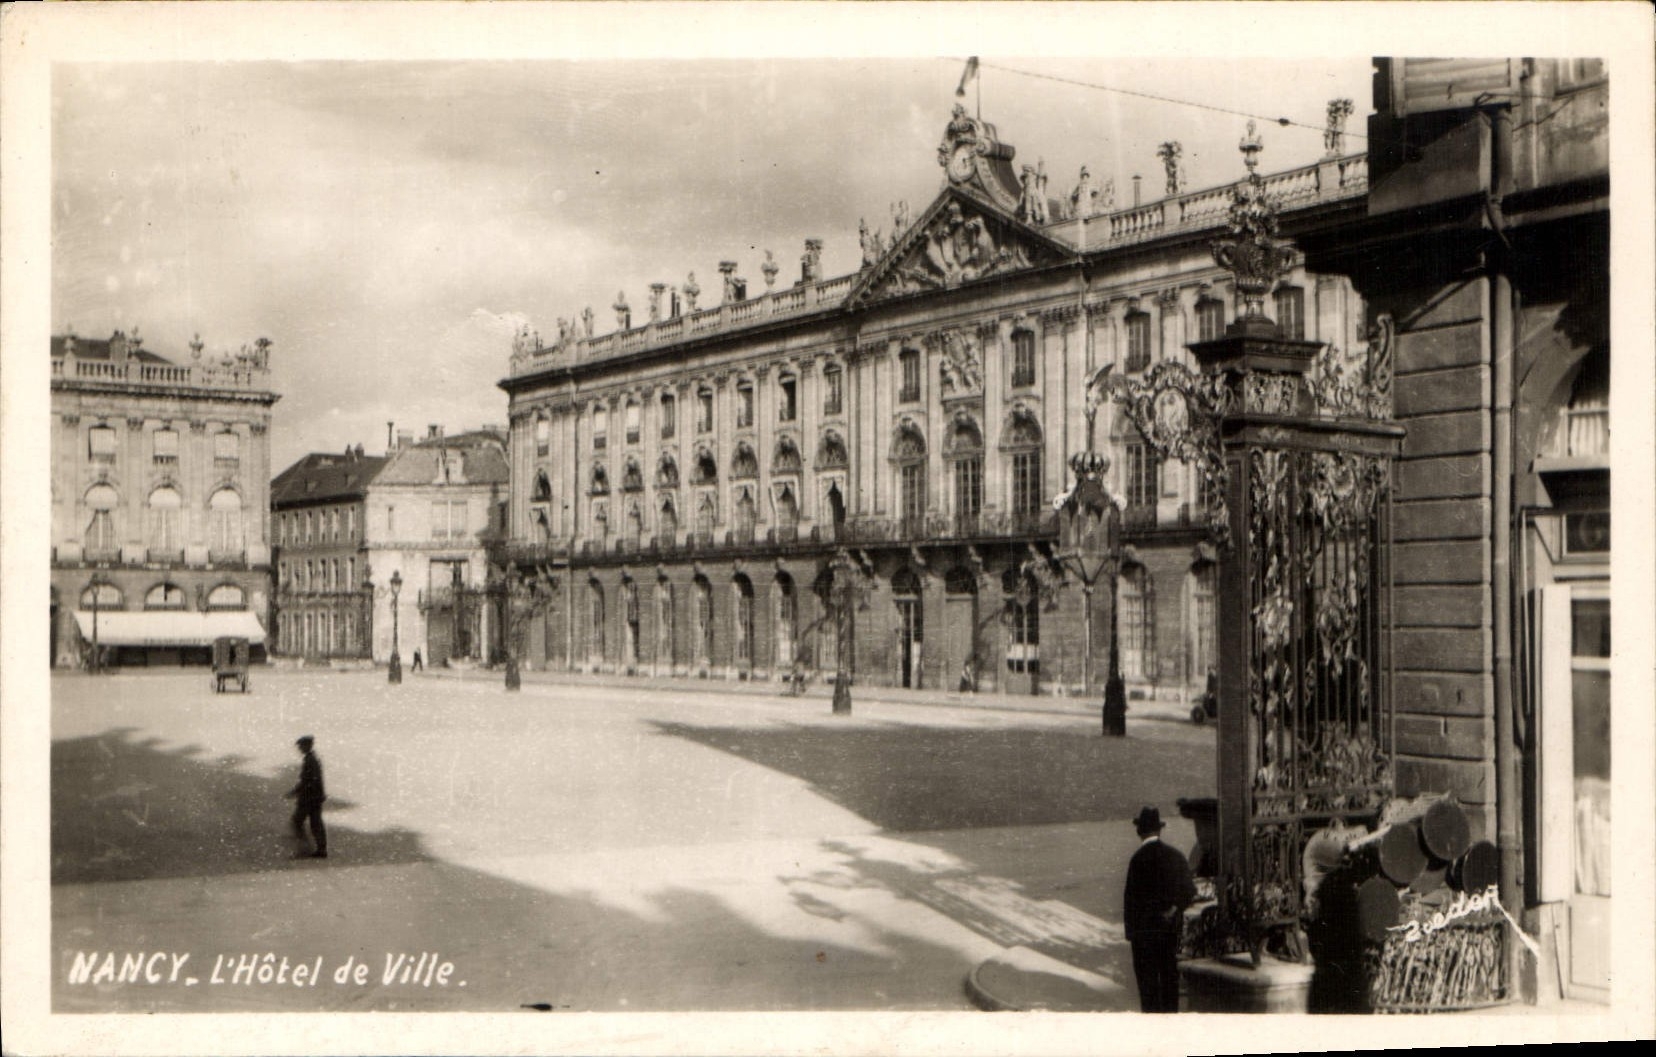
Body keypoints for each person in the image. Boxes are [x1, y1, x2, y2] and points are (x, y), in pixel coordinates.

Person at [1123, 805, 1195, 1012]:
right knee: (1169, 982)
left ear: (1139, 832)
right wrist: (1174, 908)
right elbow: (1189, 890)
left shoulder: (1137, 860)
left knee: (1148, 989)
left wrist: (1132, 935)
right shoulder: (1175, 856)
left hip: (1144, 935)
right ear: (1159, 830)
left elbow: (1130, 902)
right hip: (1168, 930)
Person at [286, 735, 327, 859]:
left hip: (308, 798)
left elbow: (309, 781)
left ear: (307, 746)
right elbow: (314, 780)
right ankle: (321, 850)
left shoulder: (310, 760)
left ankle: (305, 849)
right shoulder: (312, 759)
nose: (299, 749)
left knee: (297, 822)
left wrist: (296, 791)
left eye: (301, 746)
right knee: (315, 823)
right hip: (314, 797)